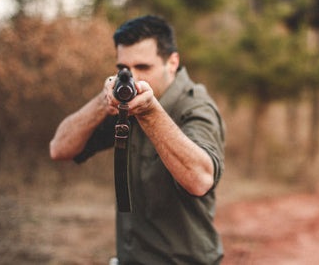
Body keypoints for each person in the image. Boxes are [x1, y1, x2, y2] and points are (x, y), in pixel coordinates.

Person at [49, 15, 225, 264]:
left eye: (144, 67)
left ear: (172, 62)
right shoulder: (125, 103)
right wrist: (102, 103)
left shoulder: (196, 106)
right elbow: (59, 149)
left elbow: (200, 180)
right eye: (124, 69)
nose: (133, 78)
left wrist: (151, 112)